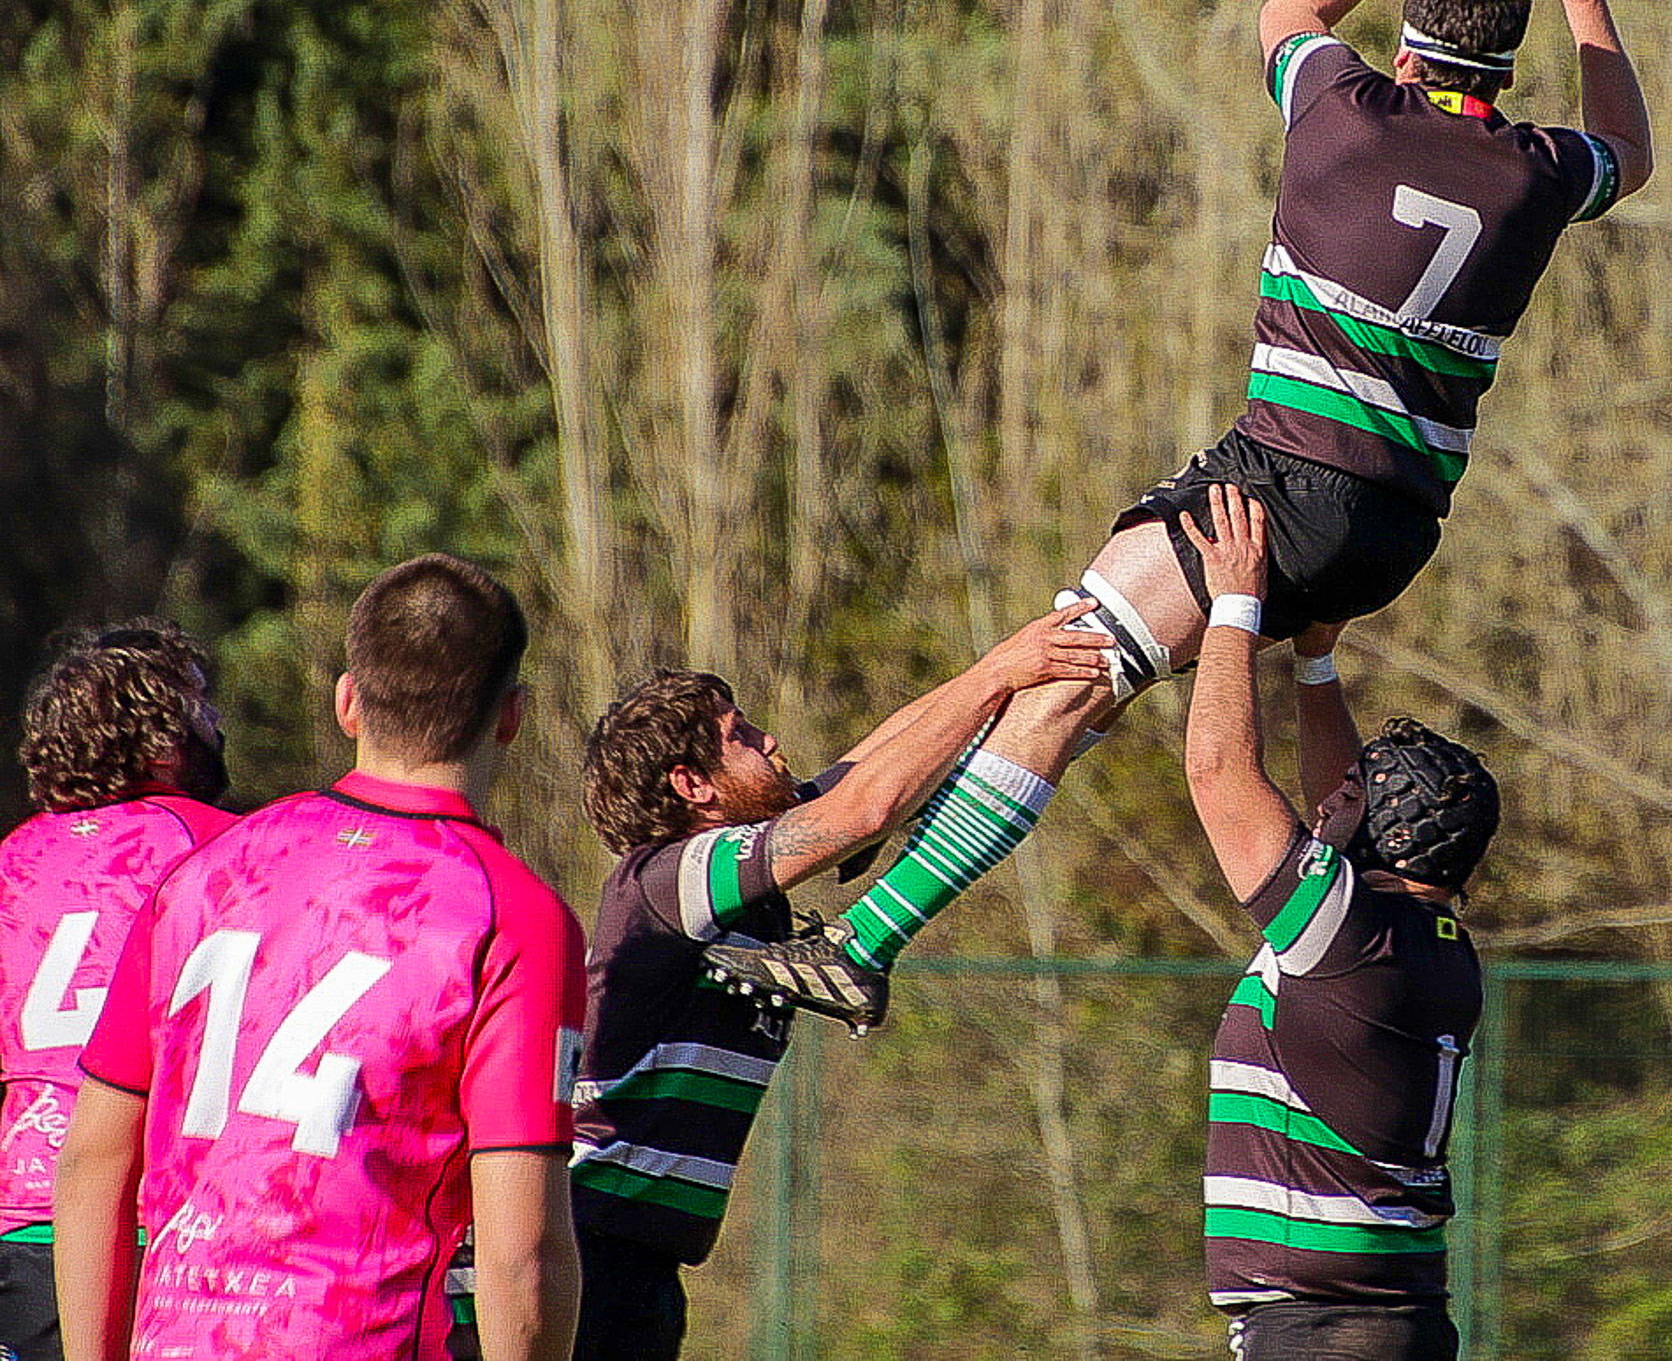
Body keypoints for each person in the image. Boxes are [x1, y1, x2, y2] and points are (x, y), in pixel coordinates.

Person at [702, 0, 1648, 1025]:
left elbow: (1285, 11)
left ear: (1405, 55)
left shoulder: (1344, 114)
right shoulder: (1539, 174)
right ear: (1503, 78)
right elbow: (1631, 154)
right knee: (1085, 684)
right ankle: (889, 851)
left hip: (1280, 483)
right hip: (1398, 530)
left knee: (1064, 669)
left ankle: (867, 931)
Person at [55, 555, 586, 1361]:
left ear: (347, 701)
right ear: (511, 716)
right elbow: (524, 1258)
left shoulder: (204, 875)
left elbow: (93, 1162)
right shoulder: (512, 918)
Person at [568, 606, 1111, 1359]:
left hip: (639, 1264)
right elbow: (864, 809)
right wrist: (1000, 672)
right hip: (583, 1249)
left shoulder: (743, 883)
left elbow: (872, 768)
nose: (770, 741)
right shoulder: (664, 879)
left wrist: (1030, 681)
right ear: (692, 785)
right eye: (741, 734)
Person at [1183, 484, 1498, 1359]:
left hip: (1323, 1330)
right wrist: (1314, 663)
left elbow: (1217, 773)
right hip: (1389, 1320)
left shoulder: (1348, 938)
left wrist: (1235, 604)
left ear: (1371, 834)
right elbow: (1342, 814)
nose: (1331, 802)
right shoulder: (1428, 942)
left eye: (1352, 795)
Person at [0, 623, 236, 1361]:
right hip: (158, 1227)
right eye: (201, 703)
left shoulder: (13, 857)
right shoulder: (225, 848)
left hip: (20, 1225)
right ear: (163, 741)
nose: (217, 723)